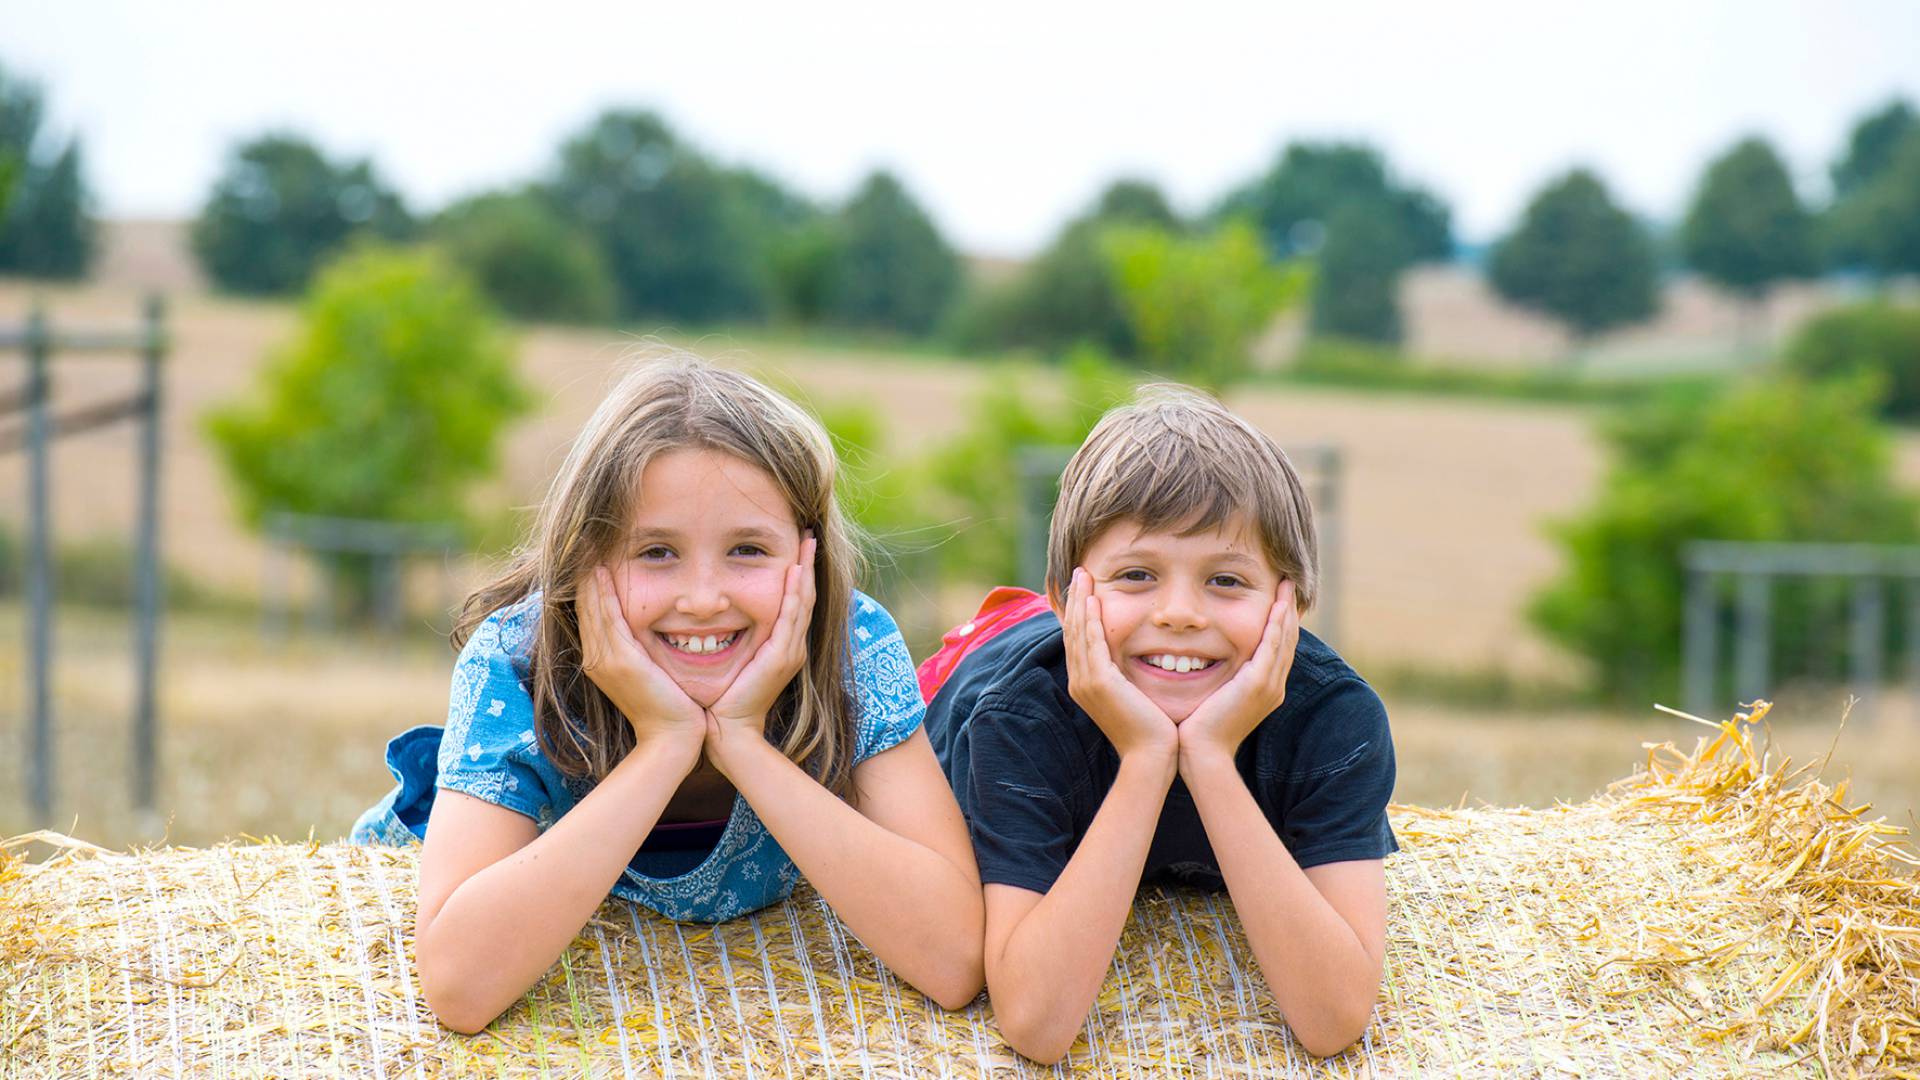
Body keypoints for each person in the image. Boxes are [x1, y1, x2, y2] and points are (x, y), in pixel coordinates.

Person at [352, 354, 984, 1033]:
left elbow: (953, 962)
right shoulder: (516, 662)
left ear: (808, 559)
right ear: (586, 559)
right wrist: (665, 746)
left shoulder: (852, 649)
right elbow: (458, 988)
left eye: (748, 550)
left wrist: (743, 741)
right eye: (656, 551)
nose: (704, 599)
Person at [922, 384, 1396, 1062]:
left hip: (1125, 653)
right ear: (1071, 598)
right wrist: (1146, 757)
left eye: (1226, 581)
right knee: (1001, 648)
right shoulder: (1017, 721)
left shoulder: (1334, 721)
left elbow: (1332, 1021)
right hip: (979, 670)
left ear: (1291, 606)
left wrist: (1208, 756)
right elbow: (1035, 1025)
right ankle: (1018, 615)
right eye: (1138, 574)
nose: (1181, 612)